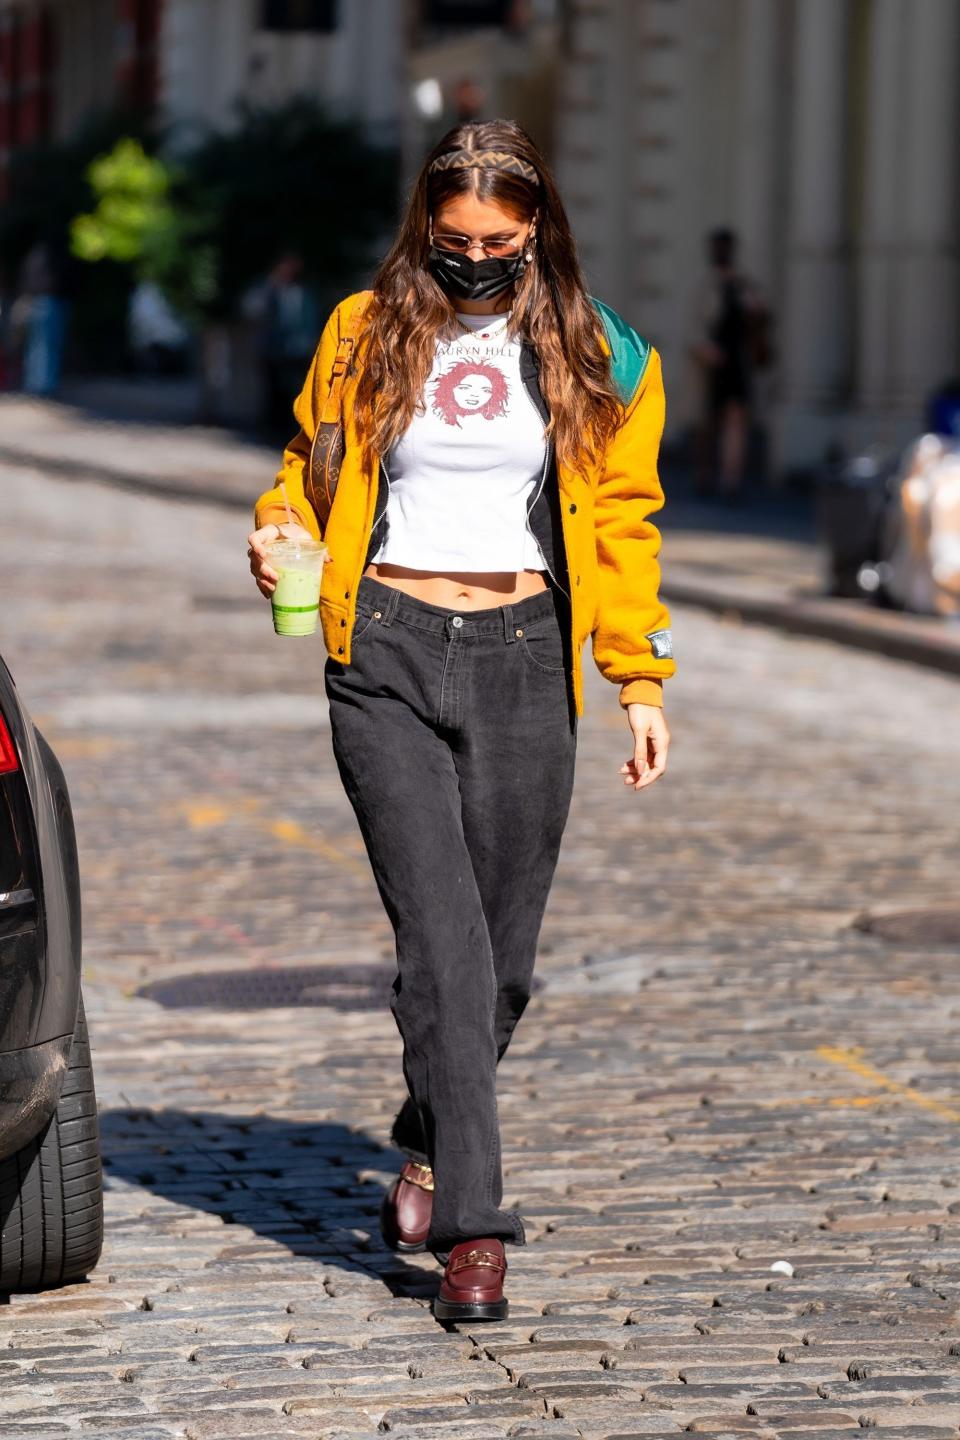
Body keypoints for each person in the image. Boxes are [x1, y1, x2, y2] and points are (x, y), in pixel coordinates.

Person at [246, 119, 675, 1321]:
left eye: (497, 239)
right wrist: (279, 522)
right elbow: (307, 465)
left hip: (528, 656)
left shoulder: (605, 352)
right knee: (443, 944)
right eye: (452, 241)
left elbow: (624, 526)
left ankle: (430, 1127)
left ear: (537, 226)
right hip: (381, 648)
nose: (474, 259)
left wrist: (640, 677)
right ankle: (475, 1237)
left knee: (505, 965)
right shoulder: (363, 329)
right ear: (422, 233)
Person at [689, 227, 770, 501]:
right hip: (710, 364)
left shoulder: (743, 284)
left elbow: (760, 319)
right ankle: (704, 476)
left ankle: (730, 481)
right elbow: (693, 325)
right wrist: (703, 349)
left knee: (736, 421)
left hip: (737, 362)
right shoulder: (704, 283)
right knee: (707, 424)